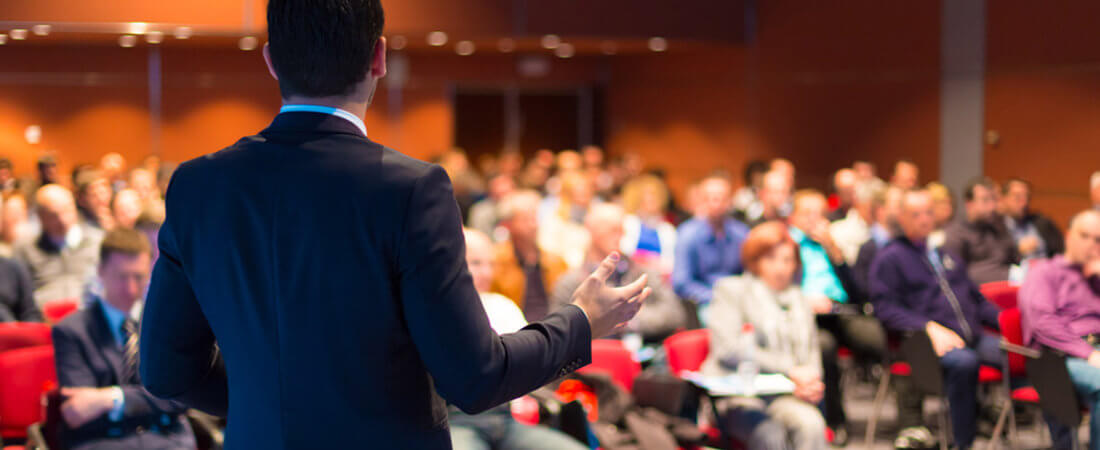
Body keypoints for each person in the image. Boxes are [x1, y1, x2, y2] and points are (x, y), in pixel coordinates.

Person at [139, 3, 649, 447]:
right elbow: (475, 377)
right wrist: (580, 320)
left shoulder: (198, 186)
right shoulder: (410, 189)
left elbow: (165, 370)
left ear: (271, 60)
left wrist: (272, 400)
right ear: (379, 56)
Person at [870, 189, 1002, 450]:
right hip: (924, 344)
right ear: (902, 218)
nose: (924, 219)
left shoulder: (945, 253)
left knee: (1026, 356)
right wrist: (927, 327)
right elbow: (885, 309)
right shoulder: (890, 258)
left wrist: (1009, 322)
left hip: (972, 335)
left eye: (928, 213)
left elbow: (976, 299)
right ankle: (963, 443)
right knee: (965, 362)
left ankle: (1018, 424)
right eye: (916, 214)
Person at [52, 228, 195, 449]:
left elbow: (180, 398)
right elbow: (78, 411)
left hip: (167, 438)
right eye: (121, 277)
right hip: (103, 441)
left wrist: (111, 398)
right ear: (100, 271)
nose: (130, 288)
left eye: (138, 277)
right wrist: (150, 400)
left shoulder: (165, 321)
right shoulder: (70, 331)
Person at [450, 228, 588, 450]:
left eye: (490, 264)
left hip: (506, 420)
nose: (486, 273)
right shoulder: (438, 313)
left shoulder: (502, 305)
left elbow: (533, 363)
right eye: (475, 263)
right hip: (458, 422)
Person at [700, 221, 827, 450]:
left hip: (785, 393)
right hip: (738, 394)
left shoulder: (799, 298)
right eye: (771, 259)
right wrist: (789, 368)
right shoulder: (732, 290)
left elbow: (811, 352)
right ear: (755, 261)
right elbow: (728, 349)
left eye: (787, 260)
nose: (780, 268)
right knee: (769, 434)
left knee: (811, 423)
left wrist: (811, 381)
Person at [787, 190, 885, 442]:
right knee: (824, 348)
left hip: (841, 312)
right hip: (805, 317)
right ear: (793, 217)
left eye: (819, 214)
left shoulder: (829, 244)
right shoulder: (788, 244)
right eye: (806, 213)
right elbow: (781, 288)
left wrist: (835, 252)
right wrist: (805, 300)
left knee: (880, 339)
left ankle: (912, 420)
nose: (813, 220)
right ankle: (834, 420)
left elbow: (856, 292)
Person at [1019, 210, 1100, 450]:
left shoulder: (1095, 276)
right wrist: (1088, 353)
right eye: (1084, 236)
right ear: (1068, 236)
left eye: (1098, 240)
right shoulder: (1044, 272)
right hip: (1056, 357)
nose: (1091, 245)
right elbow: (1043, 323)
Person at [551, 204, 686, 343]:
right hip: (596, 358)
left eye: (622, 230)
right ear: (591, 230)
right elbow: (560, 331)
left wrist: (627, 319)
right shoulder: (570, 282)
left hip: (647, 354)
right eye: (612, 229)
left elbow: (674, 315)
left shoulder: (643, 272)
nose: (620, 235)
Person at [672, 174, 750, 318]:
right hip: (705, 302)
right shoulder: (687, 234)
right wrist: (714, 297)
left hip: (738, 298)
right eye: (711, 199)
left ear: (730, 201)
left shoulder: (742, 233)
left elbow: (750, 273)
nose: (717, 204)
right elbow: (681, 282)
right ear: (702, 201)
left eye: (722, 198)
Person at [14, 185, 104, 307]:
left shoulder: (97, 240)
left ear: (74, 207)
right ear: (40, 217)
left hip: (87, 316)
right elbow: (20, 295)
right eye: (53, 215)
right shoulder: (26, 248)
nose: (62, 219)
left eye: (66, 211)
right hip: (45, 317)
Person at [491, 190, 570, 321]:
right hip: (515, 331)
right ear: (509, 225)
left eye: (535, 218)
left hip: (552, 328)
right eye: (525, 219)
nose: (534, 225)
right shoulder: (495, 261)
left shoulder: (556, 261)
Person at [944, 177, 1020, 284]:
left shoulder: (999, 227)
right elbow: (955, 277)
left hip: (1009, 288)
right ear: (969, 204)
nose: (992, 206)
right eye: (985, 200)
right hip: (977, 294)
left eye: (993, 199)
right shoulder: (955, 234)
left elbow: (1016, 261)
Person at [619, 174, 677, 276]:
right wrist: (646, 260)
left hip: (659, 277)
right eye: (647, 195)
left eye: (655, 195)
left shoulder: (668, 229)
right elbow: (623, 253)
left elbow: (671, 263)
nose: (651, 199)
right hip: (629, 275)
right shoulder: (627, 223)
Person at [538, 171, 594, 269]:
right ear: (567, 195)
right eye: (579, 194)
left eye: (587, 193)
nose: (584, 198)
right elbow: (548, 252)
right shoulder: (555, 221)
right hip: (564, 271)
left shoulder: (595, 217)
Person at [1000, 178, 1064, 260]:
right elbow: (992, 260)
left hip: (1046, 268)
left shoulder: (1042, 222)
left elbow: (1060, 251)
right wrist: (1018, 250)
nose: (1024, 202)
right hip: (1013, 270)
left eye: (1027, 197)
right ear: (1003, 199)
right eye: (1017, 197)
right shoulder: (994, 227)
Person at [829, 180, 877, 266]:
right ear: (858, 202)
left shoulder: (885, 230)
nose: (877, 211)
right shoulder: (837, 230)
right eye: (872, 207)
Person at [466, 173, 515, 238]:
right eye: (497, 185)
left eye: (503, 185)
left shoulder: (524, 205)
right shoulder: (480, 211)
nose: (500, 189)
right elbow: (478, 236)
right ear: (489, 191)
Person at [926, 182, 955, 248]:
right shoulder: (921, 234)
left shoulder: (955, 232)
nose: (948, 207)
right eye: (943, 202)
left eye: (950, 203)